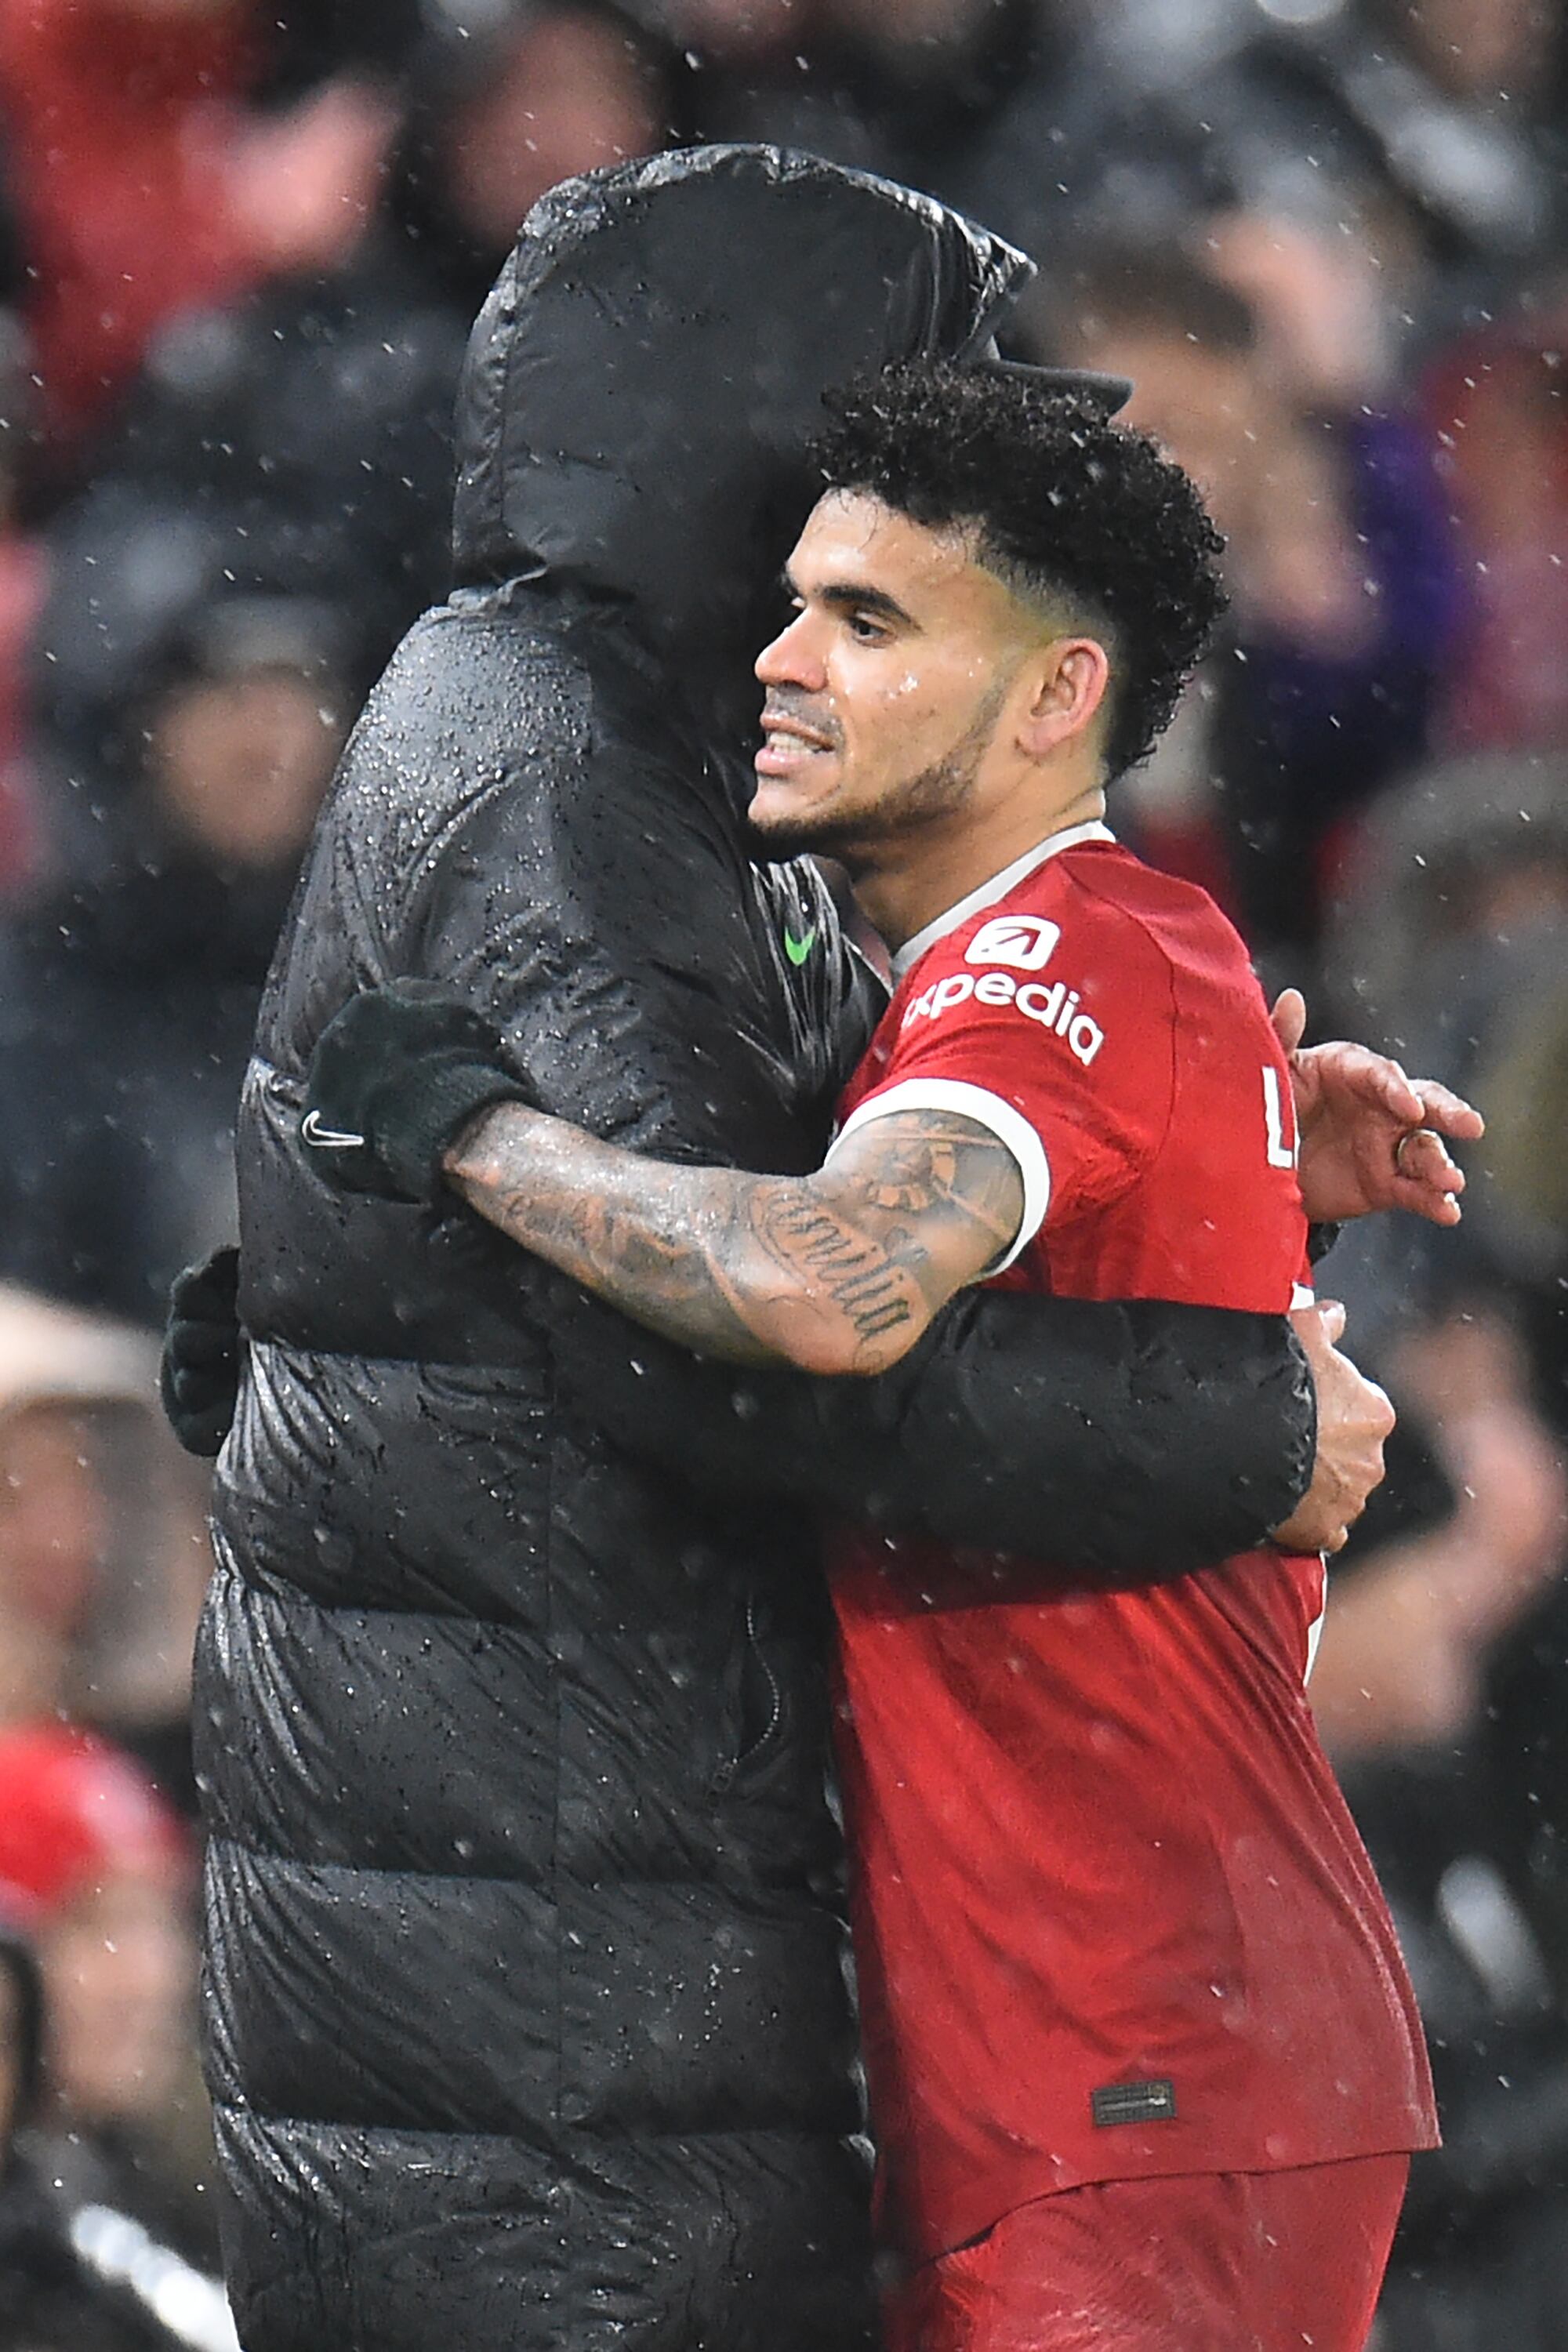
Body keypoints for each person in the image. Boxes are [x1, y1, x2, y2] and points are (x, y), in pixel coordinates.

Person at [171, 148, 1403, 2352]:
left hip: (1034, 2043)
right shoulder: (567, 773)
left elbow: (795, 1286)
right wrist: (1233, 1407)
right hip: (588, 2038)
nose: (799, 650)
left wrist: (457, 1155)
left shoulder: (802, 848)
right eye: (816, 564)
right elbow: (734, 1340)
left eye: (873, 608)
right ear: (732, 451)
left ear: (1040, 693)